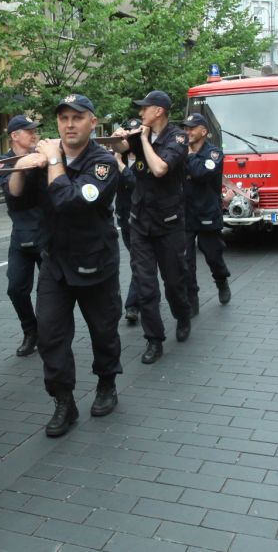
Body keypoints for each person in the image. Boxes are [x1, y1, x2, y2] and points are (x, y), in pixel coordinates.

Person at [9, 93, 123, 436]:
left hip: (95, 263)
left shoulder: (103, 162)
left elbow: (72, 201)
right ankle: (63, 400)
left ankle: (106, 383)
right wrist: (22, 166)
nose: (69, 124)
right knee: (51, 336)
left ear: (93, 121)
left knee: (103, 331)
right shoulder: (45, 158)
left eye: (77, 117)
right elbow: (18, 200)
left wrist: (54, 160)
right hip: (55, 263)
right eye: (63, 118)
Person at [111, 90, 192, 365]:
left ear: (158, 111)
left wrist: (143, 140)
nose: (140, 113)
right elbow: (121, 151)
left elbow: (159, 169)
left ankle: (182, 316)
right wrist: (120, 140)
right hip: (140, 223)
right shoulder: (139, 135)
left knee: (173, 281)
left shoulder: (178, 138)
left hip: (169, 224)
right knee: (146, 286)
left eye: (144, 109)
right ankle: (154, 340)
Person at [0, 114, 44, 357]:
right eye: (28, 130)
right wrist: (22, 164)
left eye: (34, 129)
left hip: (46, 230)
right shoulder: (4, 161)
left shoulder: (43, 154)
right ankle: (31, 331)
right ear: (14, 136)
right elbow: (13, 192)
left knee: (50, 290)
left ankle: (51, 333)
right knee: (15, 288)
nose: (34, 133)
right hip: (21, 232)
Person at [180, 113, 231, 313]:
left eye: (192, 128)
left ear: (204, 131)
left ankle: (221, 280)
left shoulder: (214, 153)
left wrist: (186, 157)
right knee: (185, 261)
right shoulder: (181, 151)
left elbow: (201, 173)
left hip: (207, 212)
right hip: (184, 213)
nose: (188, 132)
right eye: (185, 128)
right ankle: (192, 299)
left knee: (213, 255)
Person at [111, 146, 140, 325]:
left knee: (138, 260)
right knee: (139, 261)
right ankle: (150, 291)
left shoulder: (147, 155)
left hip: (143, 218)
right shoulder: (115, 159)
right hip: (124, 218)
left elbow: (136, 182)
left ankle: (132, 305)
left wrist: (121, 165)